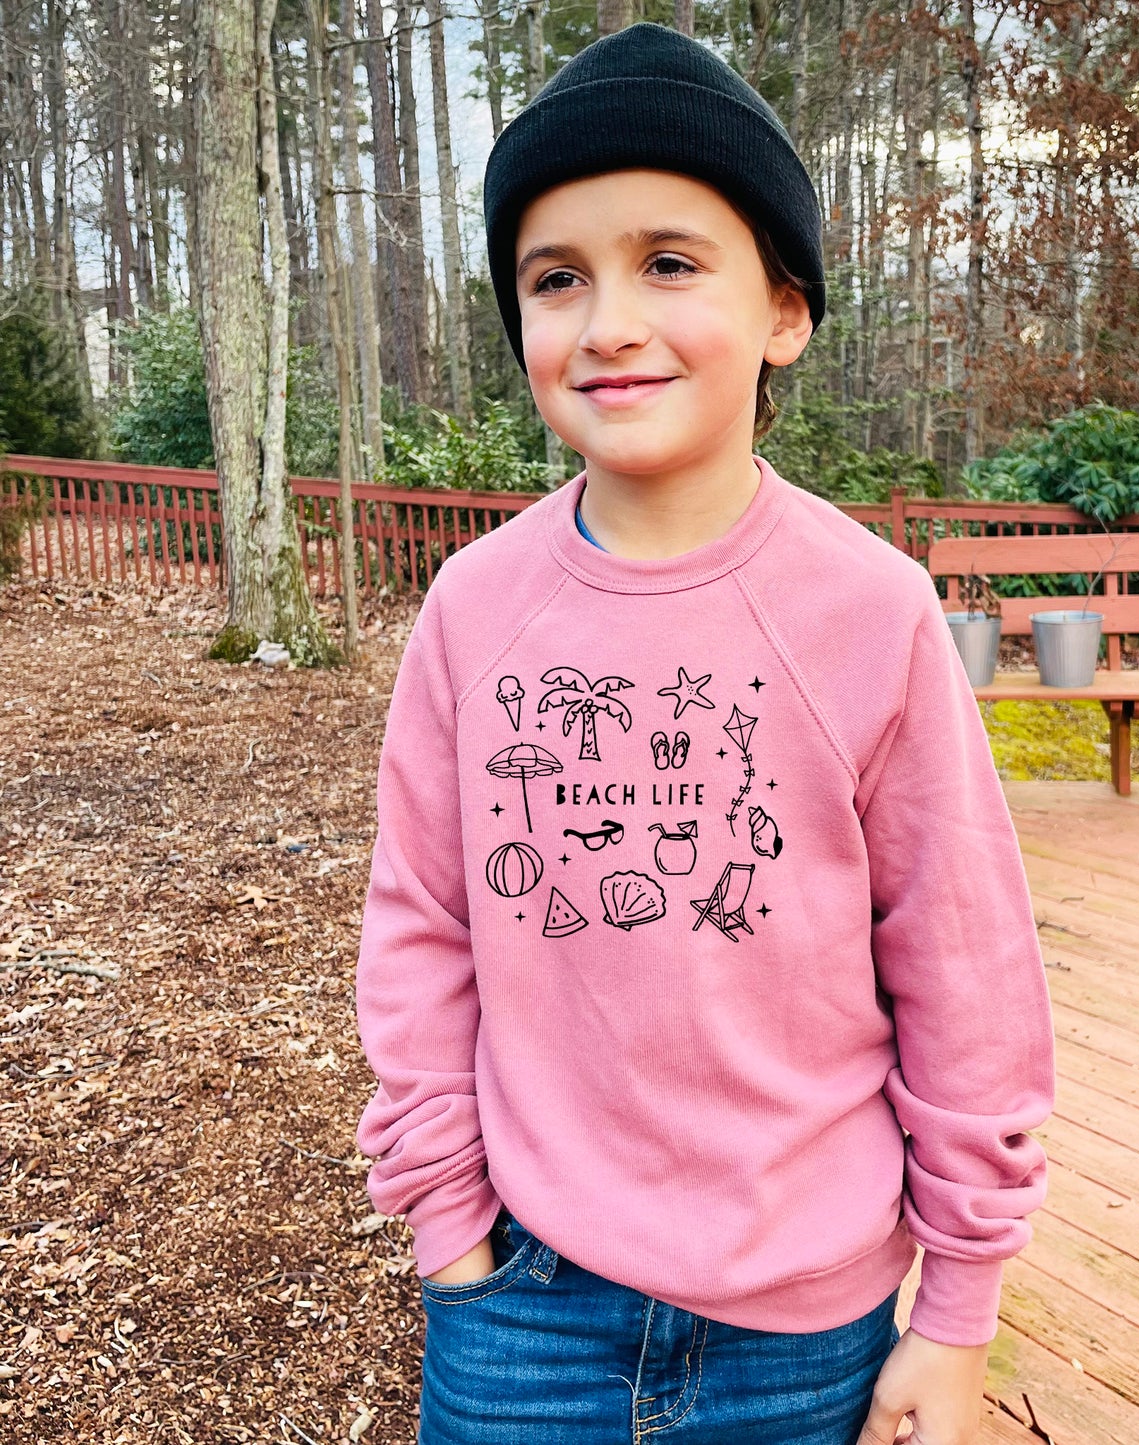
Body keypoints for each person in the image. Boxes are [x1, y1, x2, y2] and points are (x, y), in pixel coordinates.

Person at [353, 21, 1055, 1445]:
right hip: (523, 1308)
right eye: (557, 278)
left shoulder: (869, 610)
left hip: (809, 1325)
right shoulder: (475, 608)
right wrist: (448, 1230)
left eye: (669, 262)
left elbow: (962, 964)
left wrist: (956, 1309)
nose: (609, 319)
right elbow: (418, 928)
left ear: (784, 311)